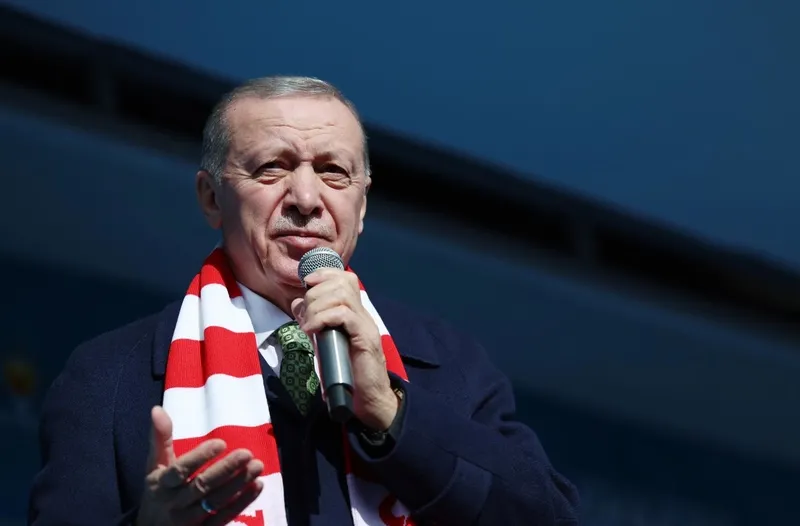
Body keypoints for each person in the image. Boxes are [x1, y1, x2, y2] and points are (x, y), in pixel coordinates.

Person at [28, 76, 580, 526]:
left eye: (333, 172)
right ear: (211, 198)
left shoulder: (451, 364)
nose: (307, 199)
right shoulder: (109, 377)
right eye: (272, 167)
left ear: (362, 207)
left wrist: (392, 412)